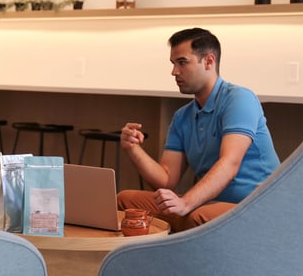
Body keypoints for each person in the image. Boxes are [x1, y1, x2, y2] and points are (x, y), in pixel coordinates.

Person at [119, 27, 280, 232]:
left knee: (197, 217)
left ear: (209, 61)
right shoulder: (182, 117)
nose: (174, 71)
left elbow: (230, 163)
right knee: (126, 202)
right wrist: (133, 149)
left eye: (182, 62)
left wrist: (185, 203)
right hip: (210, 204)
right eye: (173, 64)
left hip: (256, 206)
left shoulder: (240, 99)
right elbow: (166, 180)